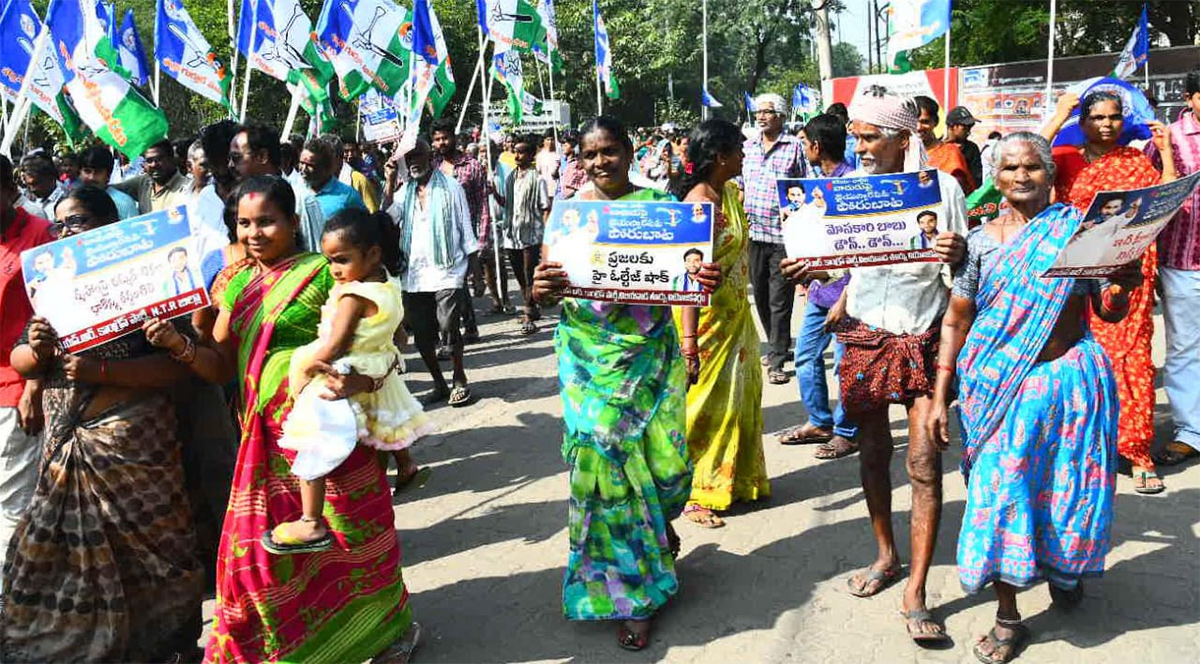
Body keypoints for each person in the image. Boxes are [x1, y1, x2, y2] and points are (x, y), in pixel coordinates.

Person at [145, 175, 422, 663]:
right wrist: (181, 343)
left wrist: (363, 382)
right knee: (264, 556)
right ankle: (287, 645)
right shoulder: (234, 282)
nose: (254, 233)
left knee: (354, 531)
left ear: (294, 222)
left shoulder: (326, 273)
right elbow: (220, 366)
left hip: (334, 429)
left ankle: (386, 632)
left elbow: (384, 340)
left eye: (267, 221)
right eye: (244, 223)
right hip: (267, 440)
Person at [926, 132, 1142, 663]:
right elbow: (956, 319)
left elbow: (1107, 313)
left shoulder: (1081, 233)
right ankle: (1007, 615)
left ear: (1050, 174)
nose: (1022, 176)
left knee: (1065, 493)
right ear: (995, 178)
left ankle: (1065, 570)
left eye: (1033, 167)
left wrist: (1125, 281)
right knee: (1001, 499)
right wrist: (939, 394)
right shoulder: (978, 244)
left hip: (1069, 383)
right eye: (1010, 168)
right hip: (996, 388)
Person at [782, 88, 967, 644]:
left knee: (923, 463)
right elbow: (843, 265)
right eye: (856, 135)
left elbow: (959, 278)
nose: (859, 146)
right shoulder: (847, 192)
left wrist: (956, 256)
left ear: (904, 138)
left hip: (923, 334)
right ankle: (886, 554)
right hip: (863, 334)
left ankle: (916, 589)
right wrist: (812, 274)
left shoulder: (943, 189)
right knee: (872, 456)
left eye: (870, 136)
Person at [531, 115, 719, 651]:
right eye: (589, 154)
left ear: (629, 151)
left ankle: (657, 527)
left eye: (609, 151)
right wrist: (538, 288)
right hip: (588, 363)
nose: (599, 162)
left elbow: (689, 284)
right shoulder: (568, 216)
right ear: (578, 159)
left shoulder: (662, 209)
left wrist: (700, 291)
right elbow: (546, 291)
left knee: (667, 470)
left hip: (651, 358)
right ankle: (631, 592)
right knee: (603, 461)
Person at [4, 184, 204, 661]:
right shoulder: (48, 287)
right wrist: (39, 350)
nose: (66, 232)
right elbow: (22, 359)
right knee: (52, 554)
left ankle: (162, 647)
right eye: (60, 224)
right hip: (67, 441)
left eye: (78, 222)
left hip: (136, 443)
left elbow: (178, 368)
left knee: (153, 555)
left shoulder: (144, 283)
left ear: (109, 228)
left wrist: (103, 371)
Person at [264, 209, 433, 553]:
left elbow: (335, 344)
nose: (334, 270)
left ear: (372, 254)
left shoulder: (352, 296)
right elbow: (399, 335)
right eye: (329, 261)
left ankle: (310, 521)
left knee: (313, 441)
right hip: (376, 365)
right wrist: (381, 361)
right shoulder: (388, 283)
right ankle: (406, 464)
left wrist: (306, 367)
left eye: (341, 260)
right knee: (387, 419)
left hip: (340, 372)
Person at [1043, 89, 1178, 494]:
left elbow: (1165, 201)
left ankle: (1137, 451)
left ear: (1123, 121)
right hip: (1074, 273)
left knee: (1132, 358)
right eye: (1096, 117)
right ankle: (1085, 448)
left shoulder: (1136, 161)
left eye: (1114, 117)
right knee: (1079, 359)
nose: (1106, 124)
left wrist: (1166, 151)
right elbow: (1024, 158)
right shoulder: (1063, 159)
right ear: (1082, 122)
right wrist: (1059, 113)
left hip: (1127, 270)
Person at [673, 119, 769, 529]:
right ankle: (695, 492)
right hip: (706, 321)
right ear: (719, 156)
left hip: (735, 319)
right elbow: (686, 280)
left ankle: (735, 480)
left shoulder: (729, 193)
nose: (745, 155)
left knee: (740, 398)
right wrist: (689, 342)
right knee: (704, 404)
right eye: (739, 150)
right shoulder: (700, 205)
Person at [778, 113, 858, 459]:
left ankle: (847, 431)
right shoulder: (809, 187)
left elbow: (860, 247)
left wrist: (847, 297)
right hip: (818, 288)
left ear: (815, 146)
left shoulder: (853, 184)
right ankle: (820, 420)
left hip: (847, 291)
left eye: (804, 142)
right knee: (807, 355)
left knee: (844, 363)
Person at [389, 138, 477, 409]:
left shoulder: (451, 187)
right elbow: (386, 218)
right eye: (409, 158)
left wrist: (475, 273)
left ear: (430, 156)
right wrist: (390, 180)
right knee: (423, 335)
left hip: (448, 271)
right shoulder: (404, 192)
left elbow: (466, 230)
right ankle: (439, 383)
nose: (413, 161)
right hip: (414, 274)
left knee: (449, 326)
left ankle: (459, 378)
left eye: (418, 155)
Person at [0, 155, 51, 594]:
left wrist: (33, 387)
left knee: (11, 502)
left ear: (10, 192)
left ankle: (8, 600)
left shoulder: (39, 237)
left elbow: (49, 316)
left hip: (12, 388)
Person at [1147, 69, 1200, 468]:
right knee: (1185, 348)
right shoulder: (1168, 139)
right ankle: (1190, 431)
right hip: (1184, 260)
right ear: (1190, 97)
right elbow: (1151, 193)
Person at [742, 92, 808, 384]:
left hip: (783, 236)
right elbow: (740, 184)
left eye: (767, 111)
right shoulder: (747, 147)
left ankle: (777, 359)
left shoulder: (794, 148)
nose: (761, 116)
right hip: (754, 233)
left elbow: (805, 185)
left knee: (780, 299)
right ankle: (777, 342)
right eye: (758, 111)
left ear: (780, 116)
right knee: (762, 295)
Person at [432, 119, 490, 338]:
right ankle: (462, 325)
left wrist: (482, 238)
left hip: (468, 234)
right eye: (437, 139)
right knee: (451, 282)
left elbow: (483, 202)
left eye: (445, 137)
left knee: (461, 281)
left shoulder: (472, 165)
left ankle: (462, 328)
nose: (441, 142)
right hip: (441, 236)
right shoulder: (432, 166)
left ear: (454, 138)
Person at [229, 123, 325, 253]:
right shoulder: (238, 199)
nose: (230, 165)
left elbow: (319, 258)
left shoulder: (301, 199)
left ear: (262, 156)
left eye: (236, 158)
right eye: (245, 223)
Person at [503, 134, 551, 335]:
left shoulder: (538, 179)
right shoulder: (510, 178)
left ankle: (529, 313)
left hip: (531, 233)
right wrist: (493, 193)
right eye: (516, 151)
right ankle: (530, 304)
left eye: (522, 152)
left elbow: (545, 207)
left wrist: (546, 236)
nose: (517, 155)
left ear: (531, 155)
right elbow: (507, 204)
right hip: (512, 233)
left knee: (529, 271)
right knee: (520, 274)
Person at [915, 95, 977, 195]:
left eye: (924, 122)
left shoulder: (950, 153)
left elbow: (958, 191)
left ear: (935, 122)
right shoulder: (901, 154)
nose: (918, 127)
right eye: (913, 122)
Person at [111, 138, 191, 214]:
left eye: (159, 159)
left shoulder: (188, 187)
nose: (154, 165)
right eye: (149, 160)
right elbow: (110, 189)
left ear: (172, 159)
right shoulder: (143, 183)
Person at [300, 137, 367, 223]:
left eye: (310, 165)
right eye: (302, 163)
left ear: (325, 167)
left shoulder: (348, 197)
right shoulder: (296, 191)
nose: (303, 169)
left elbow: (366, 229)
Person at [78, 145, 140, 219]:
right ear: (79, 173)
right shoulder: (74, 202)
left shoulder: (123, 203)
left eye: (98, 172)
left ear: (108, 175)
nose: (92, 177)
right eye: (87, 171)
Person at [327, 134, 380, 212]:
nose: (350, 155)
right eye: (346, 151)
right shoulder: (322, 182)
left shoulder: (361, 178)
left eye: (352, 151)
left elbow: (372, 213)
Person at [946, 106, 984, 188]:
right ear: (953, 127)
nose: (968, 132)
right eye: (965, 128)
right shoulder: (938, 148)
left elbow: (977, 178)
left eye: (969, 128)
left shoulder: (971, 148)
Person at [17, 155, 64, 219]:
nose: (32, 189)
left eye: (35, 184)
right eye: (28, 185)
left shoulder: (66, 200)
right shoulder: (32, 201)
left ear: (51, 178)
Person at [536, 132, 560, 196]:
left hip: (556, 188)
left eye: (552, 140)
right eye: (548, 139)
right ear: (544, 141)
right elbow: (538, 172)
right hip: (544, 188)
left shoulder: (558, 155)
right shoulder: (540, 155)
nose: (550, 142)